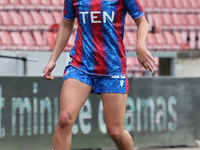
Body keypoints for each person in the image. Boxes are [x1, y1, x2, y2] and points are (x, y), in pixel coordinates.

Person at [43, 0, 155, 149]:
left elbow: (142, 22)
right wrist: (53, 60)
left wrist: (140, 45)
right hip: (80, 65)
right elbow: (65, 24)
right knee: (65, 119)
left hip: (112, 68)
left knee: (115, 132)